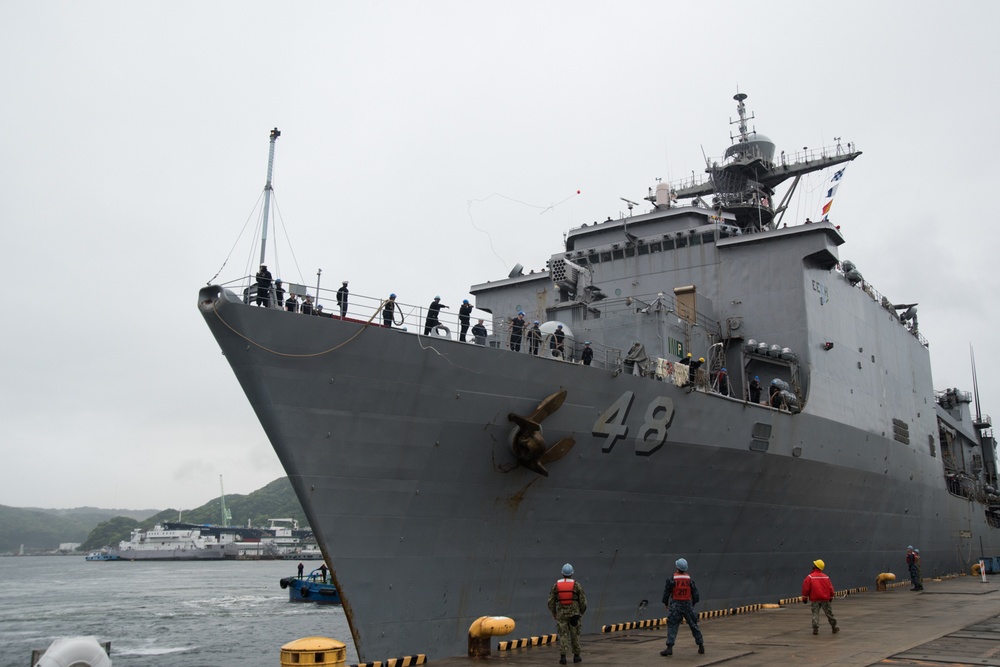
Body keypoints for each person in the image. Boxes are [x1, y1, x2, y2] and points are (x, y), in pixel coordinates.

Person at [661, 558, 704, 656]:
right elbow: (695, 594)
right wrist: (692, 604)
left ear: (677, 567)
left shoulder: (672, 579)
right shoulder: (689, 579)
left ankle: (669, 647)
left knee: (672, 625)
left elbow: (667, 592)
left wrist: (666, 603)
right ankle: (701, 645)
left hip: (676, 604)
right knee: (693, 625)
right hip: (687, 604)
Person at [548, 563, 587, 665]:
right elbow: (583, 601)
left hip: (561, 614)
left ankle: (563, 657)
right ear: (572, 573)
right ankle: (577, 656)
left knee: (563, 635)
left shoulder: (556, 585)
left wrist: (554, 613)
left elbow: (551, 601)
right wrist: (581, 612)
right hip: (574, 613)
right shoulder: (576, 585)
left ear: (562, 573)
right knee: (575, 634)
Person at [801, 559, 839, 635]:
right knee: (829, 614)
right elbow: (831, 588)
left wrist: (804, 598)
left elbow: (806, 588)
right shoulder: (826, 577)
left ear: (815, 566)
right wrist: (831, 597)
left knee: (815, 614)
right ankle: (834, 627)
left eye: (814, 564)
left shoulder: (810, 577)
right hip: (825, 599)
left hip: (815, 599)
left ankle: (815, 629)